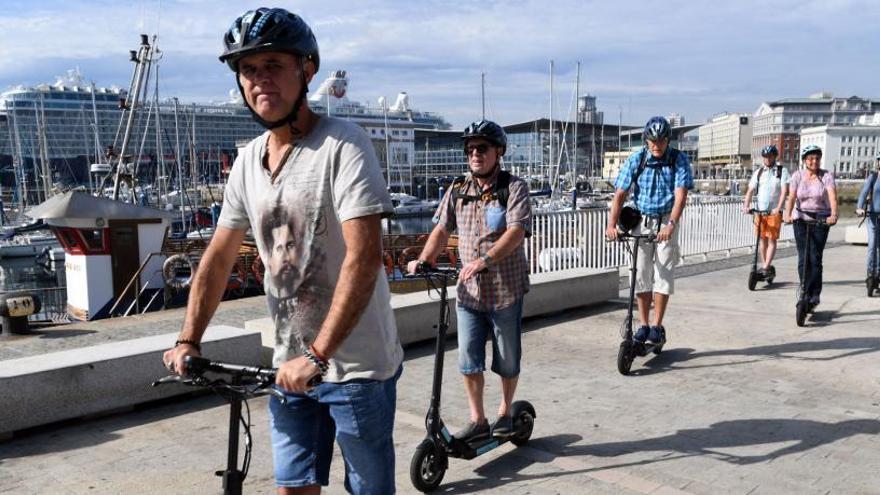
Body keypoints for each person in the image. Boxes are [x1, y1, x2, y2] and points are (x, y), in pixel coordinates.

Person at [162, 8, 403, 494]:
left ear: (306, 69)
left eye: (272, 64)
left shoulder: (344, 145)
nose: (259, 80)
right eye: (248, 69)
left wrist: (318, 356)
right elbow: (218, 256)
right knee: (292, 487)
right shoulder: (248, 161)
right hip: (288, 363)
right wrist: (189, 338)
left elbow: (364, 256)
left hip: (356, 368)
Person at [407, 120, 531, 441]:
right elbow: (441, 229)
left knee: (507, 358)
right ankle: (478, 419)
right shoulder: (458, 189)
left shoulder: (513, 188)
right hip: (470, 293)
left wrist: (484, 260)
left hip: (505, 288)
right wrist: (424, 259)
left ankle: (505, 411)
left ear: (498, 151)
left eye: (482, 148)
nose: (475, 154)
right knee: (468, 358)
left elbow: (517, 232)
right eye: (471, 149)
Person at [605, 116, 694, 346]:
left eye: (661, 141)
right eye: (652, 141)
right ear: (646, 141)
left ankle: (657, 325)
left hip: (666, 221)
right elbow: (620, 194)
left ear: (668, 141)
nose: (656, 146)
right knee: (640, 274)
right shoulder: (637, 159)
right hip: (641, 221)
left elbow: (680, 195)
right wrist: (611, 225)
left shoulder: (678, 159)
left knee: (663, 273)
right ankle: (643, 324)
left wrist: (671, 224)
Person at [783, 144, 839, 308]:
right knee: (803, 258)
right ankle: (804, 290)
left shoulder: (826, 176)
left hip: (821, 219)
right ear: (805, 161)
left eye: (817, 158)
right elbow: (792, 197)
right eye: (811, 158)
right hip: (801, 219)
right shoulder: (797, 176)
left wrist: (833, 215)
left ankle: (815, 293)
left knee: (815, 258)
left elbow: (833, 197)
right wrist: (787, 214)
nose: (814, 161)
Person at [741, 144, 790, 278]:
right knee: (762, 239)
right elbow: (750, 190)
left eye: (770, 156)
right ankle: (765, 266)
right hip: (760, 211)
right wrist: (746, 206)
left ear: (774, 157)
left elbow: (784, 191)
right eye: (765, 157)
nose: (767, 159)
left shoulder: (781, 171)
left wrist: (779, 208)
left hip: (774, 211)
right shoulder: (759, 172)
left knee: (772, 239)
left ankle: (766, 266)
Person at [855, 151, 880, 281]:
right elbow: (863, 193)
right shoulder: (873, 177)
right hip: (873, 216)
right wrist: (859, 207)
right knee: (872, 246)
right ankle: (871, 273)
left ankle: (879, 272)